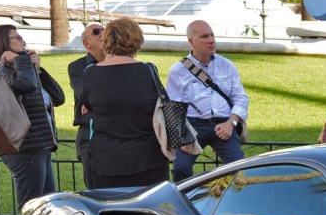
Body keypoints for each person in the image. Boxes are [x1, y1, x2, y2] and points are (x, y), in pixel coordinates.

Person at [0, 24, 64, 213]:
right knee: (30, 207)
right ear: (3, 43)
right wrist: (22, 62)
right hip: (24, 148)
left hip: (40, 145)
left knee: (45, 205)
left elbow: (58, 97)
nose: (23, 41)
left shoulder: (25, 70)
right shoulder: (0, 72)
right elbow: (25, 85)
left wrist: (38, 69)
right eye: (17, 38)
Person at [81, 17, 172, 188]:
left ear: (106, 40)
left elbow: (87, 104)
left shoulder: (91, 74)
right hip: (148, 159)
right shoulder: (148, 71)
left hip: (105, 160)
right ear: (138, 40)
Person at [166, 19, 247, 181]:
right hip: (193, 126)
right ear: (191, 41)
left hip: (224, 124)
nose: (211, 40)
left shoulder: (227, 65)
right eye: (204, 36)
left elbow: (241, 98)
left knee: (240, 168)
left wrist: (231, 123)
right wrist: (180, 138)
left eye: (212, 35)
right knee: (181, 168)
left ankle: (231, 199)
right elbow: (172, 106)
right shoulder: (178, 70)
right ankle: (188, 201)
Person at [68, 22, 106, 187]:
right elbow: (88, 95)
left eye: (105, 30)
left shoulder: (123, 63)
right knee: (96, 187)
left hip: (116, 131)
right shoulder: (77, 67)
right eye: (96, 31)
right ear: (86, 43)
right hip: (90, 133)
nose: (102, 33)